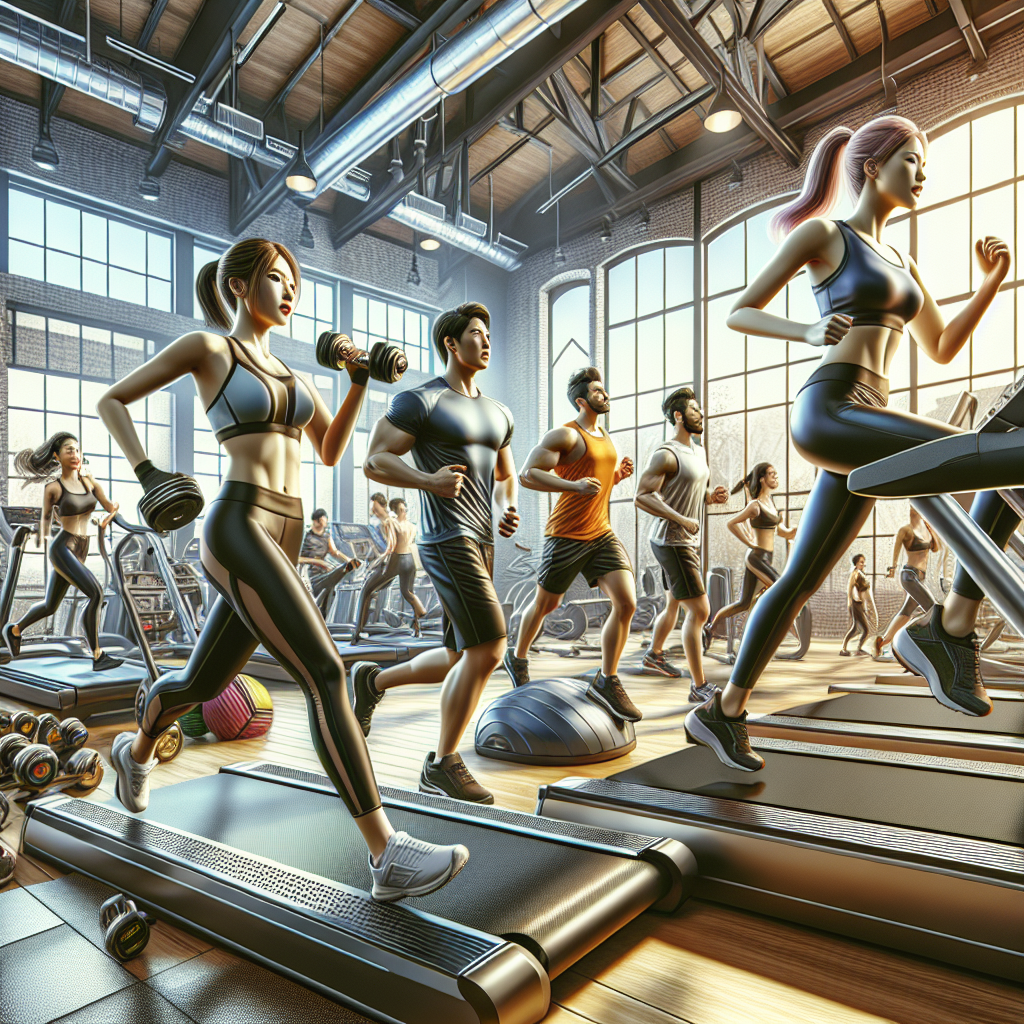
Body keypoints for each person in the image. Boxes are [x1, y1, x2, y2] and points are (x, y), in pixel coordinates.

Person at [97, 238, 468, 902]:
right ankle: (386, 854)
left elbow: (329, 450)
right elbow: (113, 402)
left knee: (198, 682)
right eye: (277, 278)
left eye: (295, 280)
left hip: (288, 529)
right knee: (325, 670)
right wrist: (148, 472)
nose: (291, 290)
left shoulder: (295, 377)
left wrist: (356, 384)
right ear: (239, 288)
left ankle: (138, 748)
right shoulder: (209, 350)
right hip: (238, 523)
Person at [683, 116, 1014, 772]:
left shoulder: (904, 261)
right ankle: (948, 631)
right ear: (873, 166)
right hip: (830, 410)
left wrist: (992, 281)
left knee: (800, 579)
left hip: (871, 419)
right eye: (912, 161)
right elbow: (740, 309)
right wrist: (806, 332)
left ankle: (723, 712)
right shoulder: (826, 236)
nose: (922, 174)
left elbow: (942, 347)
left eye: (923, 165)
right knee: (999, 452)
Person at [352, 302, 519, 805]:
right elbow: (375, 460)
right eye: (475, 333)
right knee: (490, 649)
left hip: (484, 539)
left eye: (488, 333)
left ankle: (372, 682)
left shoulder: (499, 412)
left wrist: (509, 509)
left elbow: (506, 476)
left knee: (456, 656)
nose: (485, 341)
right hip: (447, 538)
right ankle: (442, 764)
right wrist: (427, 481)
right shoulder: (419, 401)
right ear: (451, 342)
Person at [505, 366, 640, 720]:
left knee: (627, 603)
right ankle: (517, 656)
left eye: (604, 389)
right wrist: (575, 486)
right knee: (546, 604)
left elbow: (597, 480)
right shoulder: (565, 435)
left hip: (601, 533)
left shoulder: (606, 436)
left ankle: (607, 679)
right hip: (565, 533)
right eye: (597, 391)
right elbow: (528, 474)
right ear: (581, 400)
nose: (605, 394)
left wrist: (616, 477)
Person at [634, 387, 728, 702]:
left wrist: (710, 497)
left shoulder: (698, 452)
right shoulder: (666, 453)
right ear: (678, 416)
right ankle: (698, 686)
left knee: (675, 604)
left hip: (685, 538)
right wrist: (682, 520)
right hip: (672, 541)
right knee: (700, 610)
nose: (700, 415)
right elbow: (642, 496)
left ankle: (653, 654)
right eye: (694, 410)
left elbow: (690, 492)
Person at [2, 433, 122, 670]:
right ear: (57, 456)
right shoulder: (53, 488)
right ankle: (97, 656)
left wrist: (106, 520)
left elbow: (111, 506)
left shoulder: (90, 482)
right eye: (69, 450)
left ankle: (14, 630)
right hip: (62, 547)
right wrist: (37, 535)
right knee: (95, 593)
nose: (75, 455)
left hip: (82, 547)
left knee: (50, 605)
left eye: (77, 450)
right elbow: (47, 525)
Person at [701, 463, 797, 652]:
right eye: (771, 474)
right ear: (762, 479)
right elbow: (732, 523)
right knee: (780, 588)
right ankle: (790, 636)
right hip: (756, 558)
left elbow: (783, 533)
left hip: (766, 558)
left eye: (776, 474)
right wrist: (749, 542)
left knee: (743, 603)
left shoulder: (772, 503)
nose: (776, 477)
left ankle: (710, 628)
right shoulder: (755, 505)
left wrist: (796, 530)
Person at [351, 495, 428, 641]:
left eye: (375, 507)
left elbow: (390, 547)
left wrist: (377, 563)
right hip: (408, 559)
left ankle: (357, 633)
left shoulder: (389, 522)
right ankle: (418, 627)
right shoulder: (411, 526)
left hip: (395, 560)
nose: (373, 510)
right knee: (408, 592)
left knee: (366, 590)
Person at [873, 507, 940, 657]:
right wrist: (892, 568)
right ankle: (912, 645)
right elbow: (895, 550)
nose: (912, 512)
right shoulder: (905, 530)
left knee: (906, 613)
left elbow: (936, 548)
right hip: (909, 575)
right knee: (932, 609)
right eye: (911, 509)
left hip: (920, 578)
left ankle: (882, 642)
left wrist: (929, 527)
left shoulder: (926, 529)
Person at [298, 508, 360, 617]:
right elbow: (297, 558)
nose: (325, 523)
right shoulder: (306, 535)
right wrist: (318, 562)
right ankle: (343, 569)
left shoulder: (326, 536)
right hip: (308, 575)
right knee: (330, 580)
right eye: (323, 520)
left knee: (330, 587)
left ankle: (345, 567)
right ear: (316, 521)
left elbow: (334, 552)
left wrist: (348, 559)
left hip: (323, 573)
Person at [841, 553, 876, 656]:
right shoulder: (855, 573)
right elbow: (851, 588)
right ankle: (853, 648)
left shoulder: (861, 573)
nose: (863, 564)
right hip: (855, 604)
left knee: (856, 628)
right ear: (856, 563)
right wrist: (852, 602)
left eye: (863, 562)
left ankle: (850, 648)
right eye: (861, 562)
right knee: (864, 628)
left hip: (859, 604)